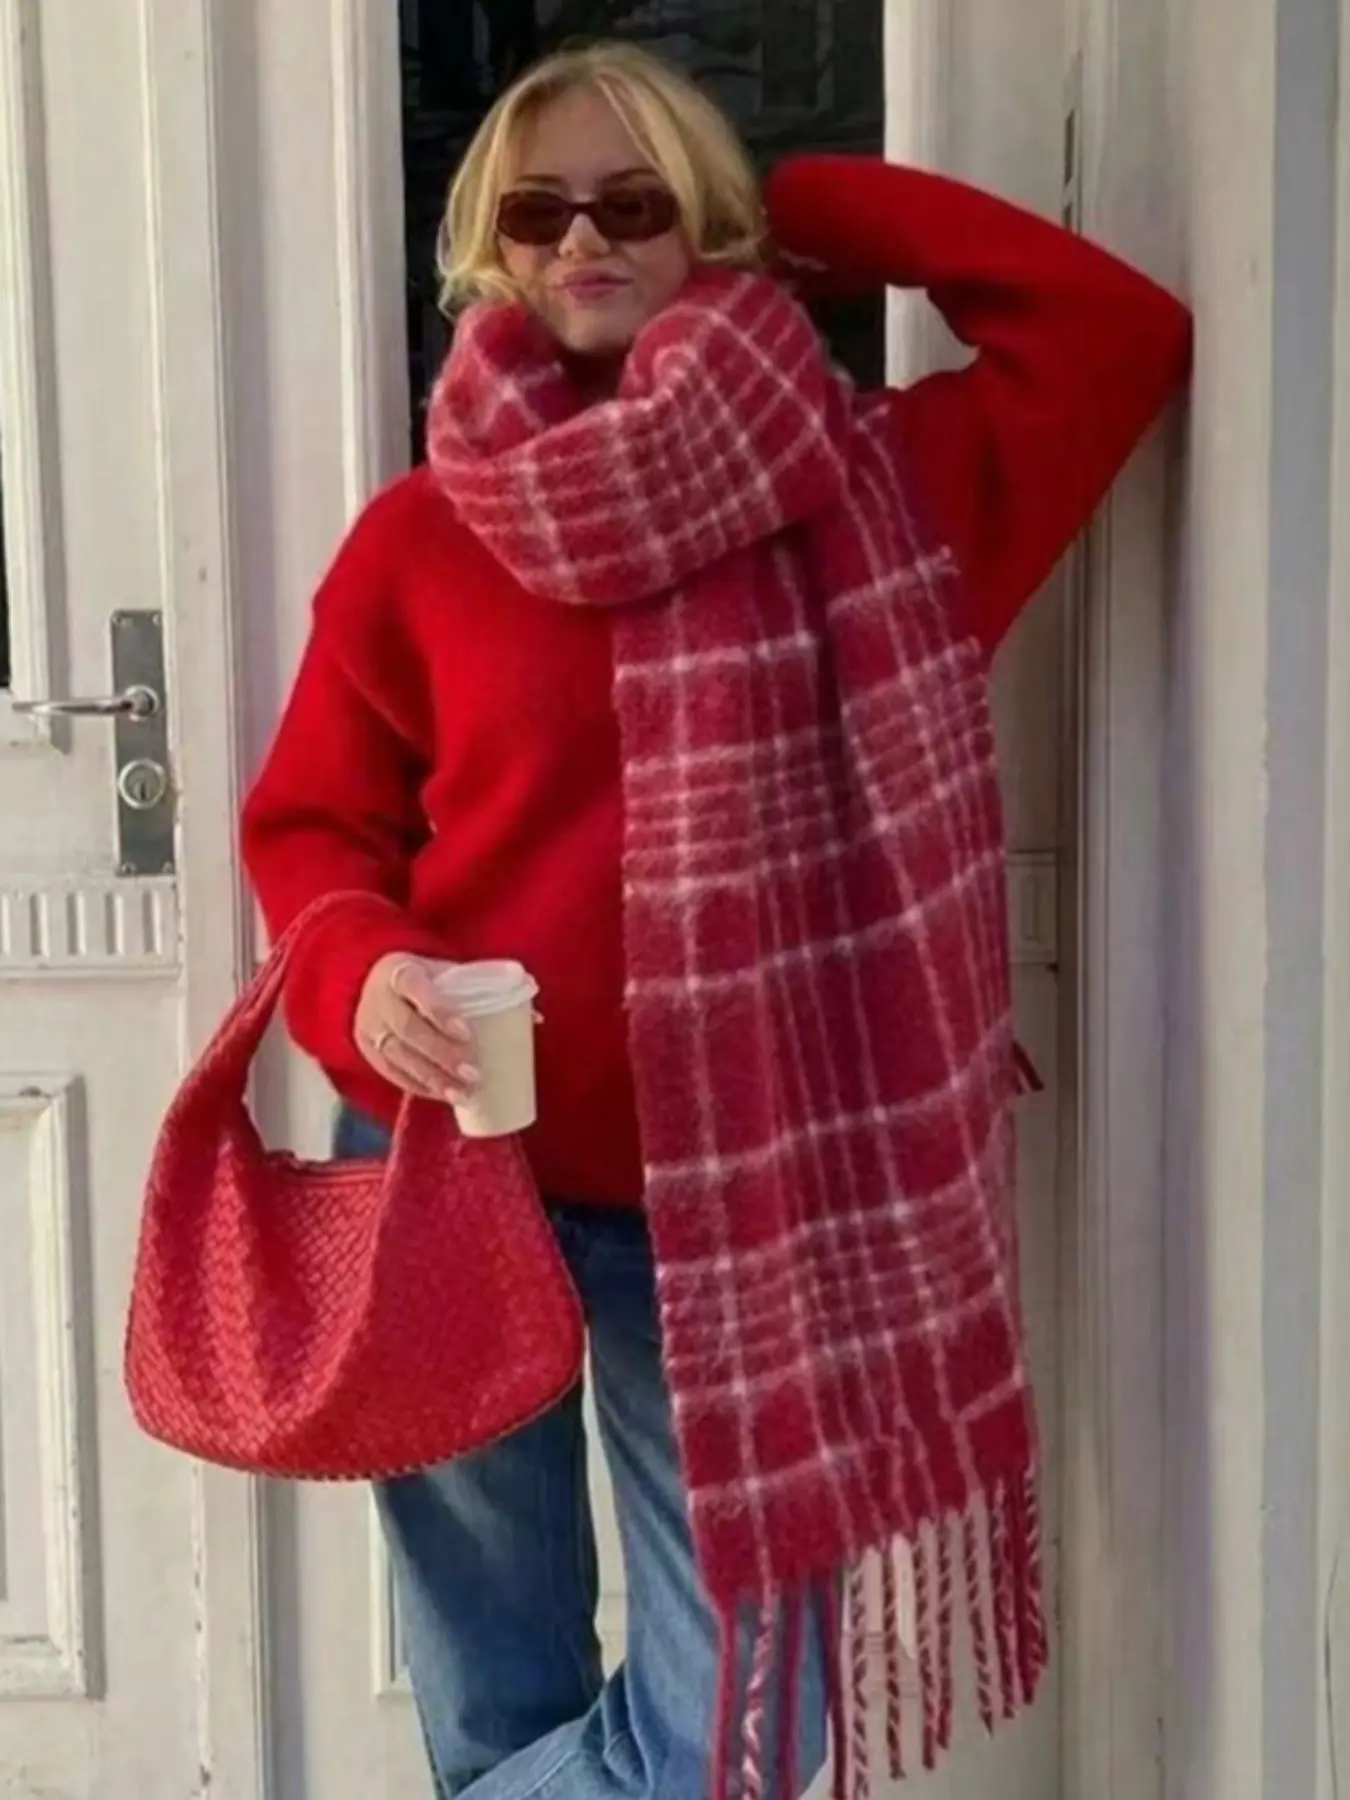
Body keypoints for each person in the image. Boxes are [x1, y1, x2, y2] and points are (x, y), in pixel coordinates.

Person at [241, 39, 1191, 1800]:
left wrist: (803, 211)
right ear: (487, 250)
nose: (583, 240)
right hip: (444, 1164)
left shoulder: (880, 493)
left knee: (732, 1734)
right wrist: (361, 974)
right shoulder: (420, 539)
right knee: (491, 1676)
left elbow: (1112, 335)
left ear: (708, 222)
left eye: (636, 202)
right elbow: (313, 828)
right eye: (538, 211)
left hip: (735, 1207)